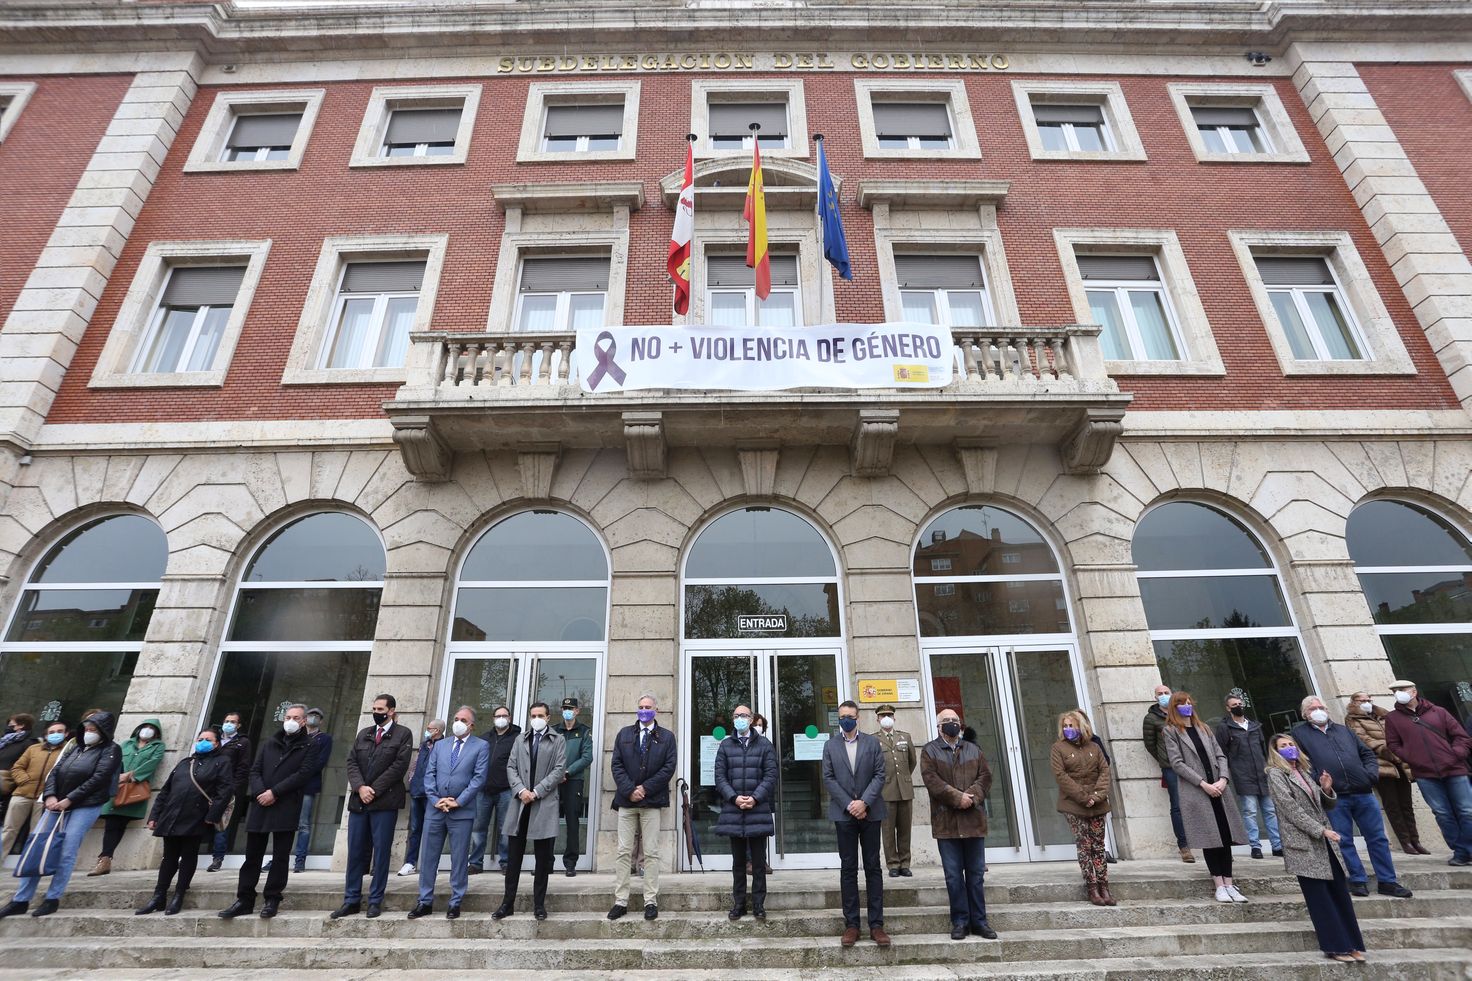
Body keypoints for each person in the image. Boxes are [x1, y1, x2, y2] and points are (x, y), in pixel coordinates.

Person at [0, 711, 121, 918]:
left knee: (67, 850)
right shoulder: (75, 747)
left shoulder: (111, 750)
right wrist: (50, 796)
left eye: (93, 730)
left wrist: (70, 799)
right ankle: (21, 898)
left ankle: (52, 897)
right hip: (56, 803)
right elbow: (55, 772)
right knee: (37, 846)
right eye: (87, 729)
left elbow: (99, 777)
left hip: (85, 804)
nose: (89, 733)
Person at [1291, 695, 1412, 898]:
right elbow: (1301, 763)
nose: (1318, 711)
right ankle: (1357, 879)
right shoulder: (1299, 735)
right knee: (1343, 840)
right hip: (1334, 796)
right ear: (1305, 714)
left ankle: (1388, 881)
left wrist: (1370, 775)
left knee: (1377, 839)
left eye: (1321, 707)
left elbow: (1367, 754)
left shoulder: (1344, 730)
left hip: (1363, 792)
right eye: (1312, 708)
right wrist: (1319, 783)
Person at [1265, 732, 1366, 963]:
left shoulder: (1304, 772)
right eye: (1283, 746)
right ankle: (1335, 946)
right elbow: (1289, 809)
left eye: (1291, 744)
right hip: (1305, 843)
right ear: (1275, 752)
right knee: (1320, 898)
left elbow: (1324, 805)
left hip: (1324, 842)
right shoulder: (1276, 774)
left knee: (1339, 892)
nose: (1289, 748)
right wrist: (1320, 830)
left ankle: (1352, 944)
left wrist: (1326, 789)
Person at [218, 703, 314, 919]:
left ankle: (272, 898)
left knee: (280, 856)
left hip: (286, 804)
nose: (291, 721)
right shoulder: (271, 742)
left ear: (304, 721)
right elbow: (255, 769)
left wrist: (275, 792)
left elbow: (303, 774)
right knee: (252, 856)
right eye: (288, 716)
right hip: (261, 803)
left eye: (296, 717)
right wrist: (261, 791)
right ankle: (244, 898)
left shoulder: (309, 745)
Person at [136, 727, 234, 916]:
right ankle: (159, 895)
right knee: (169, 857)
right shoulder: (185, 762)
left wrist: (211, 816)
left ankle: (179, 894)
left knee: (188, 856)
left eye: (207, 739)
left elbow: (224, 791)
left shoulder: (222, 762)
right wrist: (155, 815)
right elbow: (166, 790)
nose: (202, 741)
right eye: (200, 738)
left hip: (197, 816)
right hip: (172, 815)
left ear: (216, 743)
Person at [1161, 691, 1249, 903]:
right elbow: (1177, 762)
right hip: (1198, 790)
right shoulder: (1171, 731)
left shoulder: (1204, 728)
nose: (1187, 706)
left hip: (1219, 788)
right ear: (1175, 707)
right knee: (1211, 838)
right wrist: (1203, 784)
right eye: (1182, 703)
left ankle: (1230, 883)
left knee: (1225, 836)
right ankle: (1219, 884)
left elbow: (1220, 754)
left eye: (1189, 702)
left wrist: (1223, 779)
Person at [332, 694, 412, 919]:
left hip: (384, 802)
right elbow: (352, 762)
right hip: (360, 802)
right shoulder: (364, 733)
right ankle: (351, 899)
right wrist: (360, 787)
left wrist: (373, 789)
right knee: (356, 852)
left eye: (380, 709)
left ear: (392, 711)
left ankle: (376, 900)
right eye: (374, 708)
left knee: (381, 852)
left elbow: (399, 766)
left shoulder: (403, 734)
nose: (376, 712)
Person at [922, 707, 996, 940]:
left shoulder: (973, 749)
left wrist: (971, 796)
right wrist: (957, 798)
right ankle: (960, 921)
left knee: (975, 876)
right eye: (947, 720)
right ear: (938, 726)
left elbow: (985, 777)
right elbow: (932, 781)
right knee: (953, 876)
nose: (952, 723)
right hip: (947, 823)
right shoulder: (929, 751)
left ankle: (980, 922)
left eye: (955, 720)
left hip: (973, 821)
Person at [409, 705, 488, 920]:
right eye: (456, 718)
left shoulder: (481, 746)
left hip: (461, 812)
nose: (458, 722)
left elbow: (479, 778)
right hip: (435, 810)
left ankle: (455, 902)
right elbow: (429, 774)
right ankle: (424, 901)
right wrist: (436, 800)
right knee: (428, 858)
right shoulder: (440, 745)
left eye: (463, 719)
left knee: (459, 858)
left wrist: (458, 802)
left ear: (471, 724)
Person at [821, 699, 889, 948]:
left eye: (850, 716)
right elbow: (827, 778)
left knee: (873, 867)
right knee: (848, 869)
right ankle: (851, 925)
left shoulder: (872, 743)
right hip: (844, 814)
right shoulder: (830, 746)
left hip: (870, 813)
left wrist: (864, 803)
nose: (846, 720)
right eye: (842, 717)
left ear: (858, 718)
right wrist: (850, 804)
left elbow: (880, 774)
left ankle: (876, 925)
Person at [1383, 680, 1472, 865]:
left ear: (1414, 691)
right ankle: (1460, 851)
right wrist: (1412, 758)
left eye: (1401, 689)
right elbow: (1393, 744)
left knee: (1467, 811)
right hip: (1425, 774)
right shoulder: (1393, 718)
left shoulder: (1438, 712)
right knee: (1442, 813)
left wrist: (1456, 754)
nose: (1398, 693)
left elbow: (1461, 736)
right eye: (1394, 691)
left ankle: (1468, 849)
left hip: (1455, 769)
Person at [494, 702, 566, 921]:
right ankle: (507, 903)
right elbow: (511, 767)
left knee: (542, 858)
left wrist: (536, 791)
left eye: (540, 715)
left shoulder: (558, 740)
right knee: (514, 857)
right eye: (533, 715)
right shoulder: (520, 739)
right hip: (520, 803)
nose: (536, 718)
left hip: (542, 802)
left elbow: (559, 769)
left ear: (548, 717)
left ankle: (539, 904)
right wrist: (521, 790)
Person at [609, 692, 676, 922]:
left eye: (648, 706)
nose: (644, 710)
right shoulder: (624, 734)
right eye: (640, 706)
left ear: (656, 710)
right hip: (627, 801)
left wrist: (645, 789)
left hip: (652, 801)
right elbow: (616, 764)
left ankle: (650, 901)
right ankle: (621, 901)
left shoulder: (666, 737)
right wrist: (630, 790)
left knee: (651, 853)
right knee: (623, 851)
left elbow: (668, 768)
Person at [713, 702, 776, 922]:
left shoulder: (765, 745)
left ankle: (759, 905)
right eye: (736, 715)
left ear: (751, 720)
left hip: (757, 810)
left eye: (744, 715)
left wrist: (755, 798)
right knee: (738, 863)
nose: (739, 718)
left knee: (758, 863)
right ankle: (739, 904)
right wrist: (734, 797)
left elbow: (770, 776)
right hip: (734, 810)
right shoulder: (725, 745)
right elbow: (720, 777)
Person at [1344, 690, 1425, 854]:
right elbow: (1364, 740)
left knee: (1406, 804)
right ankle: (1405, 842)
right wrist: (1386, 750)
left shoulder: (1383, 715)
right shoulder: (1352, 720)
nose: (1366, 702)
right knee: (1392, 805)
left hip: (1400, 763)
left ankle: (1415, 840)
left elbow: (1399, 733)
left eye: (1368, 699)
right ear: (1354, 702)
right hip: (1380, 765)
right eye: (1362, 700)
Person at [1051, 709, 1113, 906]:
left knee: (1098, 845)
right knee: (1085, 845)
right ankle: (1092, 887)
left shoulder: (1094, 747)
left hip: (1097, 803)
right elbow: (1061, 776)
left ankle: (1104, 886)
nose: (1068, 729)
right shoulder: (1058, 748)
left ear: (1081, 726)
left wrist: (1097, 796)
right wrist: (1083, 797)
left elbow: (1104, 771)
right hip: (1073, 804)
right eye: (1065, 726)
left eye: (1072, 725)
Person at [91, 717, 166, 876]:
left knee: (121, 822)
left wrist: (131, 775)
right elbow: (114, 761)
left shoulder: (158, 746)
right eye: (144, 726)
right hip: (116, 787)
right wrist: (117, 776)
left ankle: (106, 857)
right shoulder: (126, 744)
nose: (147, 730)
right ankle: (105, 857)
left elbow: (152, 763)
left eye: (150, 727)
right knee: (111, 822)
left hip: (135, 789)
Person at [1214, 695, 1282, 859]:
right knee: (1250, 811)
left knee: (1270, 810)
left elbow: (1264, 750)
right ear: (1228, 708)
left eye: (1240, 703)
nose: (1238, 706)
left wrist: (1270, 768)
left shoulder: (1254, 726)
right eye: (1234, 704)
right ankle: (1255, 846)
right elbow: (1221, 752)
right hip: (1242, 775)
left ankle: (1277, 845)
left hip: (1262, 773)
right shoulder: (1225, 728)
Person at [1143, 683, 1192, 862]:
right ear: (1155, 697)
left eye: (1166, 692)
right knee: (1177, 806)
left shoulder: (1181, 713)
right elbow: (1150, 745)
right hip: (1171, 768)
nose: (1163, 695)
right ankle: (1184, 846)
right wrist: (1165, 759)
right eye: (1159, 693)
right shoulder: (1151, 718)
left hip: (1192, 766)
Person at [2, 720, 64, 858]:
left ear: (66, 734)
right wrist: (23, 780)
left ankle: (28, 863)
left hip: (44, 798)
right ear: (46, 735)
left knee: (37, 833)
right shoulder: (34, 749)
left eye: (60, 732)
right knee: (9, 829)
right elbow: (17, 767)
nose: (56, 735)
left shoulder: (67, 752)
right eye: (52, 732)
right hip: (22, 794)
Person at [468, 704, 518, 875]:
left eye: (504, 715)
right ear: (493, 719)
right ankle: (475, 863)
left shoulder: (517, 738)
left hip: (506, 790)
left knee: (506, 829)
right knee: (478, 828)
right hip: (483, 790)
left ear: (509, 718)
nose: (501, 718)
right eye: (498, 716)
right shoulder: (484, 738)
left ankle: (506, 863)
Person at [287, 706, 333, 873]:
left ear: (321, 720)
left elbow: (320, 762)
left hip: (307, 785)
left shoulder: (324, 739)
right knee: (283, 823)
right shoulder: (296, 736)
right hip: (288, 786)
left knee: (303, 824)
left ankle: (300, 860)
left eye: (317, 716)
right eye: (311, 715)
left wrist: (300, 773)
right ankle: (279, 858)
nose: (313, 718)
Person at [874, 703, 917, 878]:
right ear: (877, 719)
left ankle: (905, 863)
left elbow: (912, 761)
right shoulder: (873, 739)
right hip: (886, 792)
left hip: (905, 790)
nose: (886, 718)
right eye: (883, 715)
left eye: (889, 715)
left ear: (894, 717)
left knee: (905, 829)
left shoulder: (905, 737)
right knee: (888, 830)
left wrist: (904, 779)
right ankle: (892, 863)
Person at [397, 717, 444, 876]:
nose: (427, 730)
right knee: (416, 829)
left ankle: (431, 864)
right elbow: (415, 765)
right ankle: (410, 862)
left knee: (432, 830)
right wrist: (412, 780)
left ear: (436, 730)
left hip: (433, 795)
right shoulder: (425, 745)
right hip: (417, 792)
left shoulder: (444, 746)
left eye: (429, 728)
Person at [207, 711, 252, 873]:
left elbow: (243, 767)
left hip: (226, 789)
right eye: (227, 720)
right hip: (208, 786)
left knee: (221, 824)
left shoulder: (242, 742)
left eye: (233, 722)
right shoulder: (214, 740)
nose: (229, 724)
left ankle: (217, 858)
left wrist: (233, 788)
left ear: (238, 725)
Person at [556, 696, 593, 877]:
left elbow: (587, 757)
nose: (567, 711)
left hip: (573, 782)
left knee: (572, 822)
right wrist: (556, 774)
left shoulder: (584, 731)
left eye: (570, 708)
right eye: (564, 708)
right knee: (548, 821)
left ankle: (570, 863)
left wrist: (567, 772)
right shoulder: (554, 730)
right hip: (553, 782)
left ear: (577, 711)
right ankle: (545, 862)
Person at [0, 714, 37, 832]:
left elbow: (24, 767)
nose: (8, 727)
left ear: (21, 725)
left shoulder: (28, 744)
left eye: (12, 725)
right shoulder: (5, 741)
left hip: (7, 788)